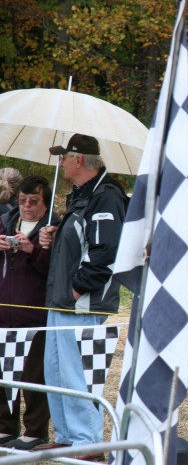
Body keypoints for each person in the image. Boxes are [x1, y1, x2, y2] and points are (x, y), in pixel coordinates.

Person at [35, 133, 128, 460]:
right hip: (62, 301)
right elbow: (83, 241)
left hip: (81, 303)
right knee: (55, 371)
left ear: (78, 160)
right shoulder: (79, 197)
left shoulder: (105, 196)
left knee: (76, 375)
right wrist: (55, 233)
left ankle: (87, 442)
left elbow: (106, 252)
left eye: (64, 157)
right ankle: (66, 436)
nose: (60, 162)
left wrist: (76, 288)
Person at [0, 175, 58, 450]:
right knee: (4, 371)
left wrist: (32, 249)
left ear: (45, 203)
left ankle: (36, 430)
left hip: (36, 312)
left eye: (33, 201)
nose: (26, 205)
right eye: (22, 200)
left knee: (33, 375)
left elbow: (55, 270)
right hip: (5, 309)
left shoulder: (53, 227)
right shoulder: (7, 221)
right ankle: (5, 426)